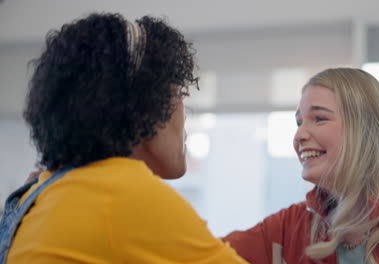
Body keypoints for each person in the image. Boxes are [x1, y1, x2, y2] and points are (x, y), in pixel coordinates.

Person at [0, 13, 248, 264]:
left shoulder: (44, 192)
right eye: (180, 95)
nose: (185, 116)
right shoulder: (122, 195)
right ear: (144, 107)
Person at [224, 68, 379, 263]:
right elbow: (200, 254)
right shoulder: (290, 227)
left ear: (364, 131)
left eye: (319, 118)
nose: (299, 135)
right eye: (299, 122)